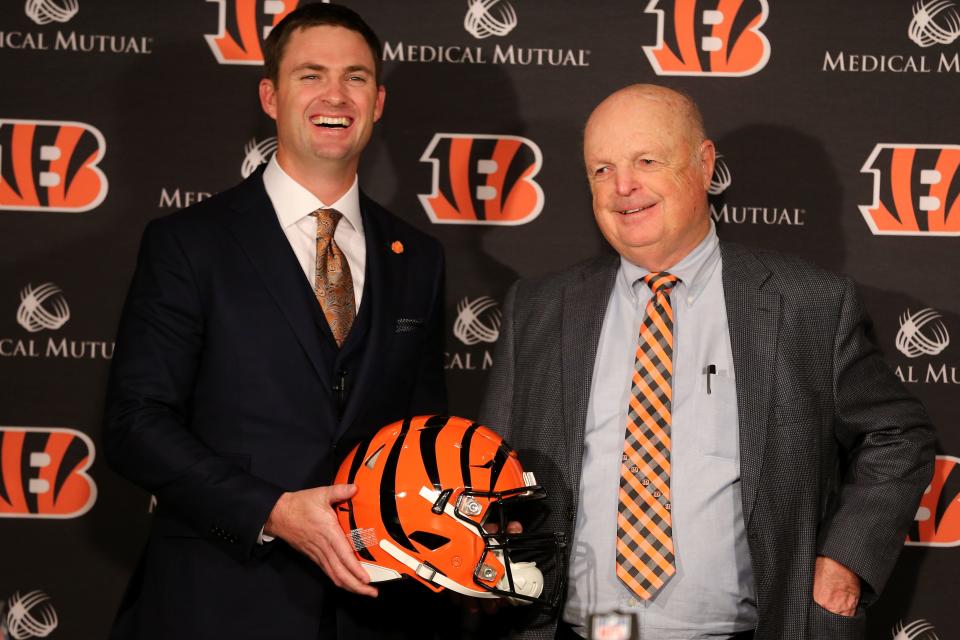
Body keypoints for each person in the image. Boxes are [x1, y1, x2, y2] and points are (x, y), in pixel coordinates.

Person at [478, 84, 936, 640]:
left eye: (647, 161)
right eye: (602, 169)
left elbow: (897, 434)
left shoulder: (805, 303)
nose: (623, 187)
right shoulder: (539, 308)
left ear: (704, 163)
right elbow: (488, 465)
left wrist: (845, 562)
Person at [102, 4, 446, 639]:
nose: (335, 95)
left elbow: (420, 437)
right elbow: (134, 422)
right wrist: (274, 510)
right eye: (310, 75)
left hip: (373, 611)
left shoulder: (417, 257)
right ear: (270, 95)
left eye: (357, 77)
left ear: (379, 101)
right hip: (218, 602)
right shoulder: (189, 243)